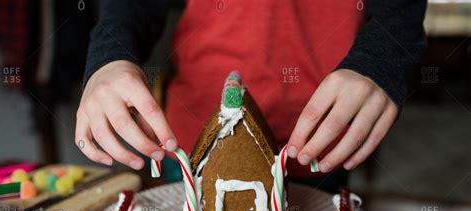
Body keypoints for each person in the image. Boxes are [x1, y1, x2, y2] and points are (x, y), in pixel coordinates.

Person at [76, 0, 426, 190]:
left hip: (319, 139)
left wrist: (378, 62)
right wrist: (109, 56)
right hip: (192, 142)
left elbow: (400, 12)